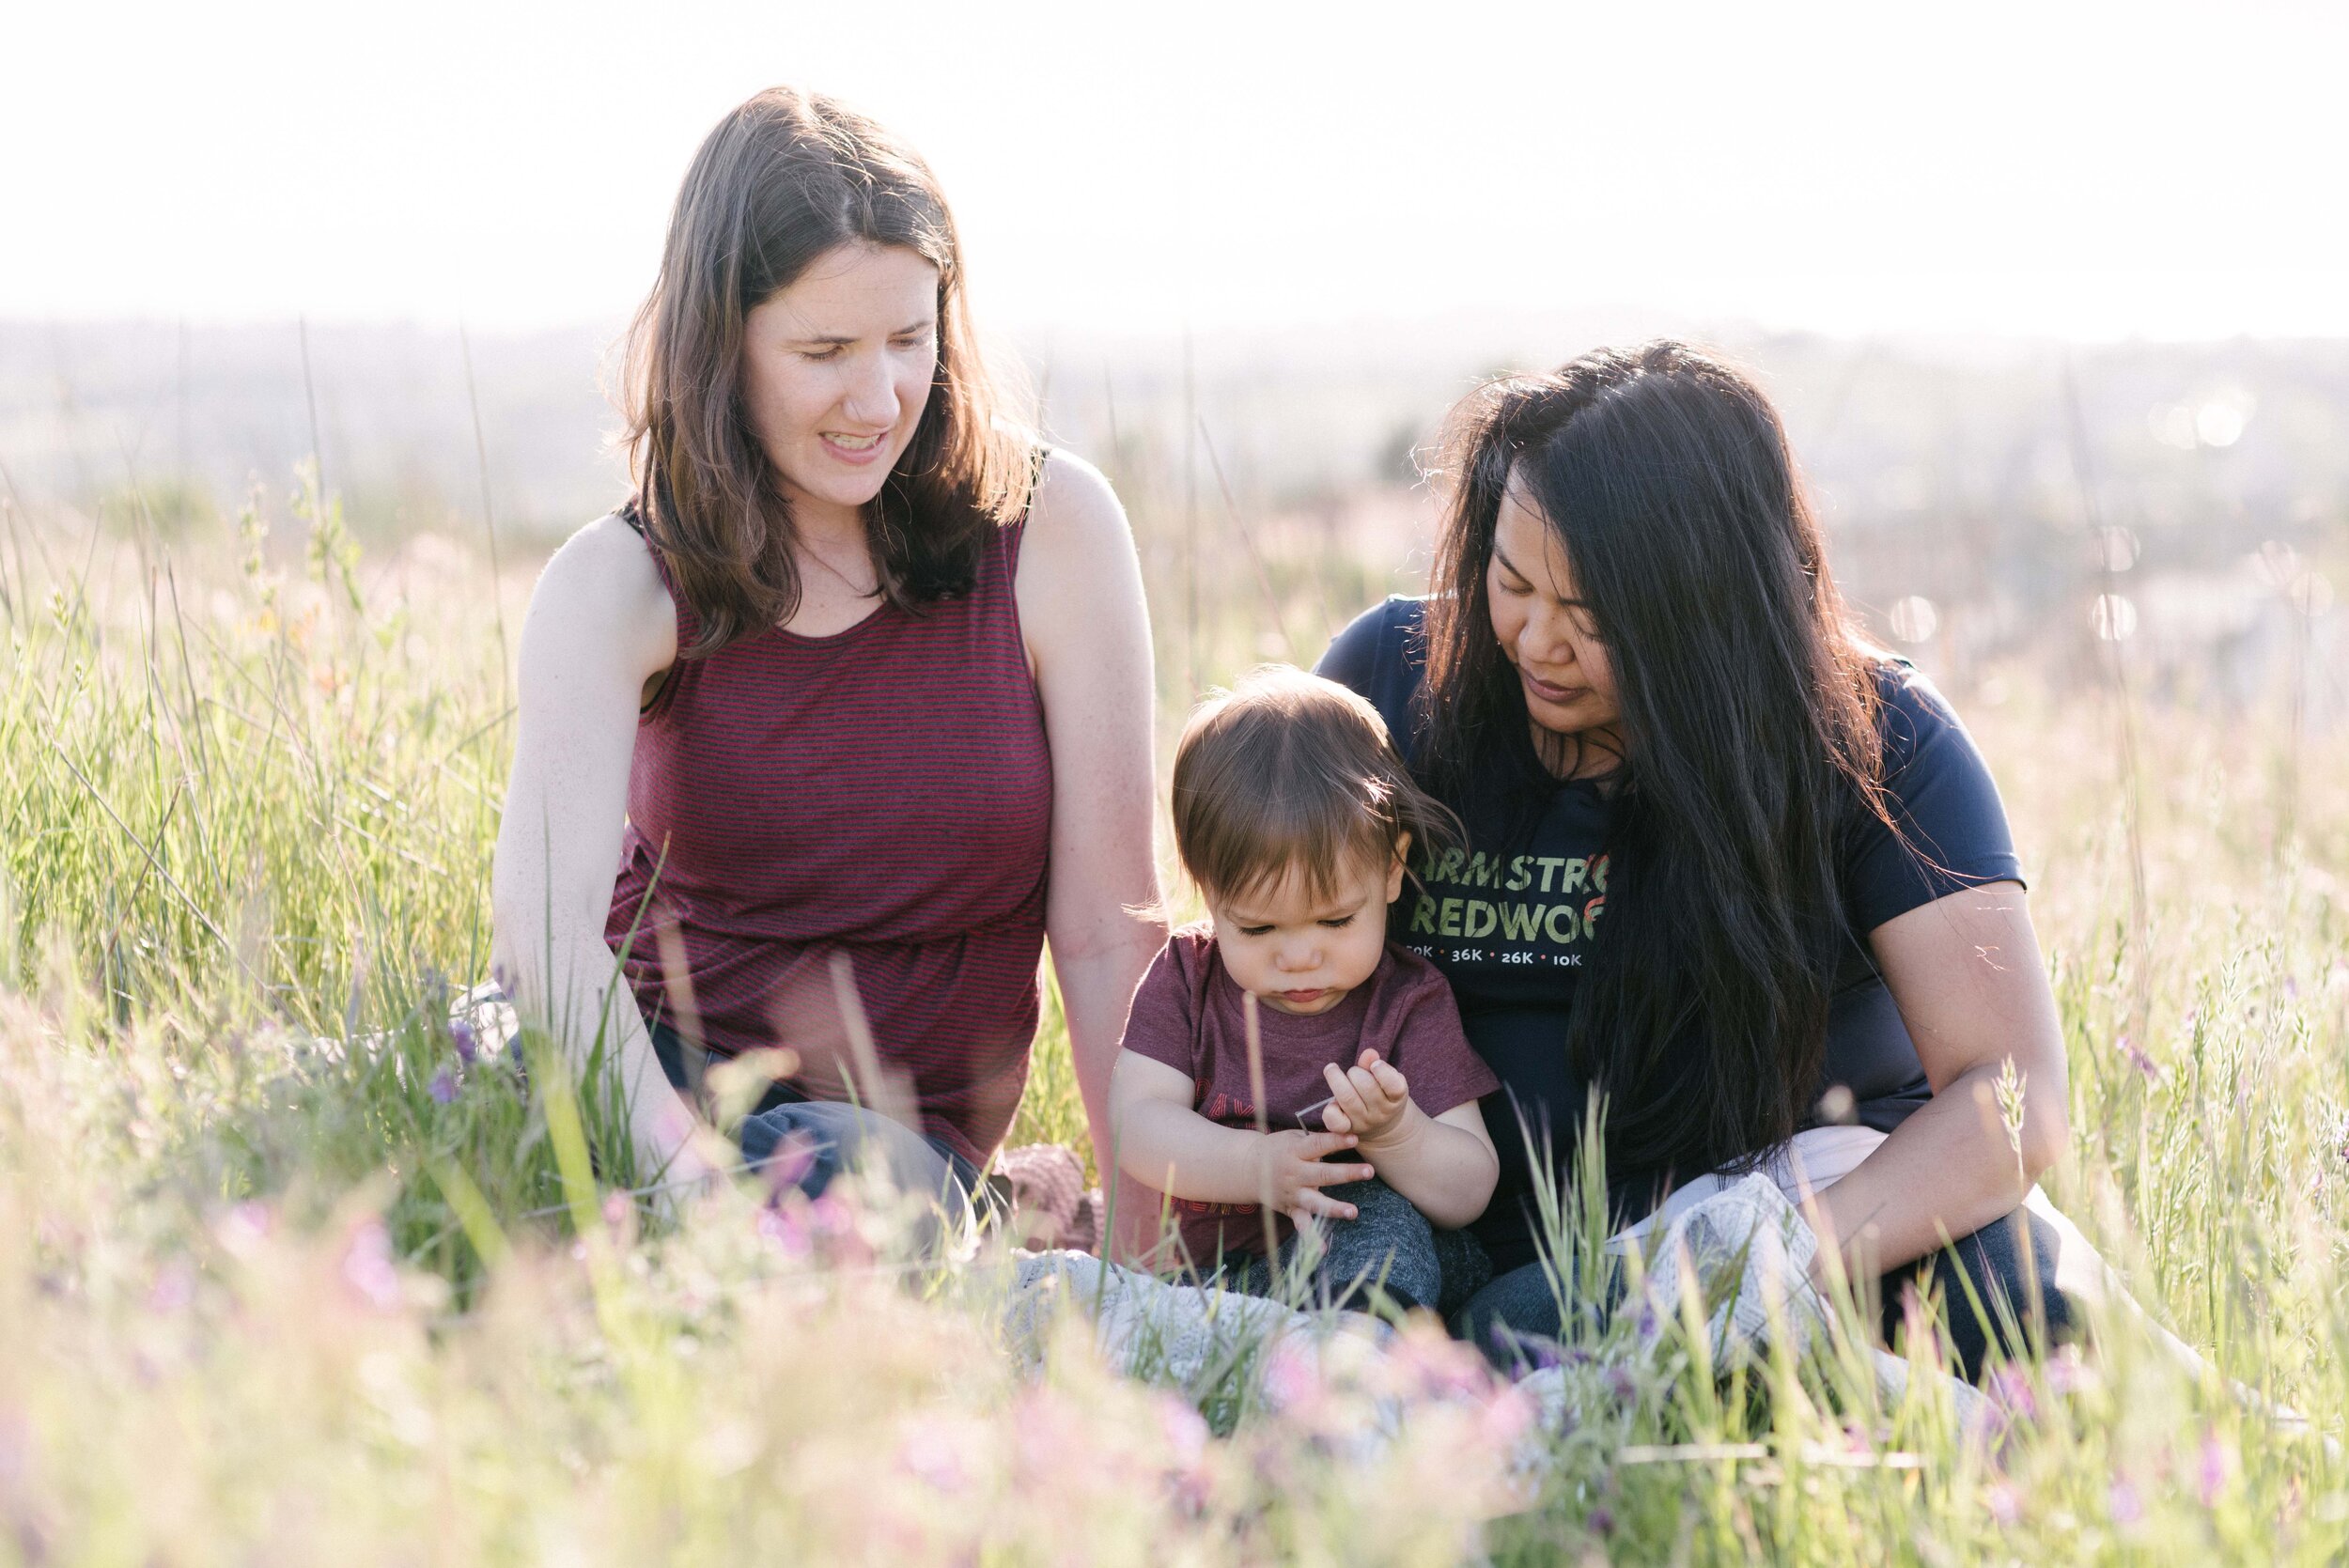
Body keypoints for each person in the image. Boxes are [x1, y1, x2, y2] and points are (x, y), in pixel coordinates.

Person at [1318, 341, 2079, 1374]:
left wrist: (1758, 1272)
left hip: (1807, 1223)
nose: (1536, 639)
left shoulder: (1877, 737)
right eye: (1511, 582)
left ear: (1705, 616)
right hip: (1463, 1266)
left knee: (2038, 1325)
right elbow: (1242, 960)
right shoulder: (1389, 679)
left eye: (1590, 616)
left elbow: (2012, 1101)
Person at [490, 87, 1162, 1224]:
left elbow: (1107, 936)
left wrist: (1146, 1255)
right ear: (722, 344)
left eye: (910, 339)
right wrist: (683, 1191)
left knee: (837, 1179)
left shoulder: (1054, 530)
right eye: (824, 349)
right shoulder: (615, 584)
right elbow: (545, 946)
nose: (879, 396)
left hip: (887, 1153)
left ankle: (992, 1215)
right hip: (643, 1090)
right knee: (433, 1092)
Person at [1108, 667, 1501, 1316]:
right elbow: (1136, 1122)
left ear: (1393, 867)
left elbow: (1471, 1186)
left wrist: (1397, 1134)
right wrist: (1256, 1165)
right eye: (1258, 927)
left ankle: (1354, 1365)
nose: (1299, 956)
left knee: (1373, 1214)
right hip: (1227, 1278)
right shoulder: (1188, 978)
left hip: (1393, 1271)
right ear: (1210, 893)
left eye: (1335, 919)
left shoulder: (1405, 1002)